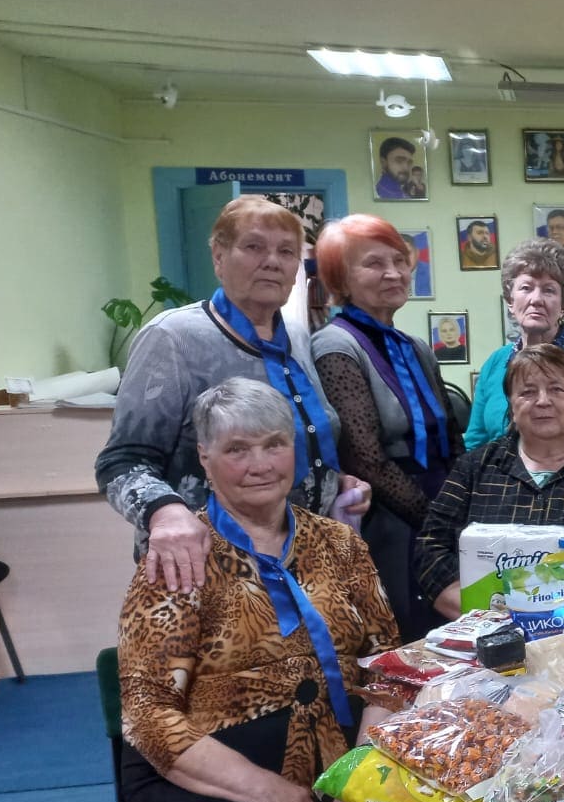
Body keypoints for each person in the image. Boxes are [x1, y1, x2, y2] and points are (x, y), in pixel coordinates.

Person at [118, 378, 398, 802]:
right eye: (238, 449)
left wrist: (360, 776)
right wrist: (263, 791)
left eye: (274, 444)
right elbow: (149, 714)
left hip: (339, 745)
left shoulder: (340, 543)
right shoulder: (178, 558)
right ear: (205, 460)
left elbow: (387, 668)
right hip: (202, 764)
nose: (260, 464)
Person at [97, 196, 370, 591]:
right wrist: (164, 512)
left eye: (286, 251)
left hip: (303, 560)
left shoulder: (294, 335)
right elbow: (121, 462)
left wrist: (333, 481)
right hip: (207, 570)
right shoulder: (173, 338)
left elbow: (289, 440)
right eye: (254, 247)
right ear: (219, 256)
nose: (272, 261)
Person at [417, 345, 564, 619]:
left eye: (557, 389)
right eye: (527, 392)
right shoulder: (474, 468)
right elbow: (429, 547)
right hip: (488, 626)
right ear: (511, 404)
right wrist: (481, 606)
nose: (543, 401)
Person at [312, 215, 460, 640]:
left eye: (400, 260)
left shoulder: (415, 348)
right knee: (408, 639)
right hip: (387, 521)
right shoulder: (335, 346)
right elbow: (366, 457)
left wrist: (464, 509)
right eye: (374, 263)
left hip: (439, 513)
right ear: (342, 278)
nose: (394, 273)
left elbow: (451, 439)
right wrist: (437, 523)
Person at [465, 238, 564, 449]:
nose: (536, 299)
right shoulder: (495, 362)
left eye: (548, 290)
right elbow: (475, 442)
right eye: (526, 288)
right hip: (492, 478)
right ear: (510, 301)